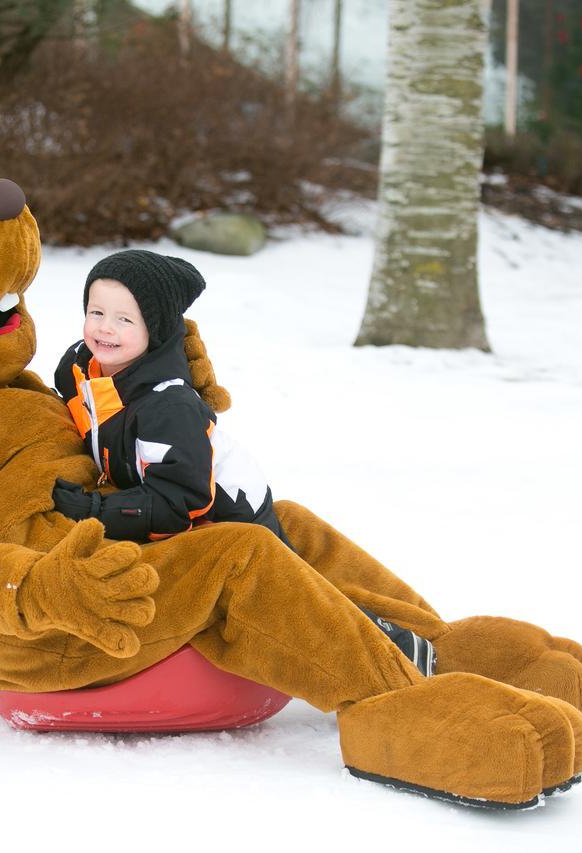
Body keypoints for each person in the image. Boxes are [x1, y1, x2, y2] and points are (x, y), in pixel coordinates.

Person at [50, 249, 436, 675]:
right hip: (175, 501)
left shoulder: (168, 407)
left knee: (290, 602)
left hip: (229, 515)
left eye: (126, 319)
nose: (105, 327)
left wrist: (96, 511)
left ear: (155, 329)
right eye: (96, 311)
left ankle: (394, 650)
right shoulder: (80, 368)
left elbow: (181, 501)